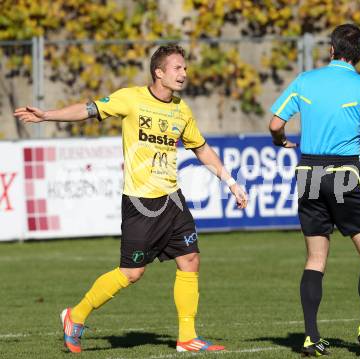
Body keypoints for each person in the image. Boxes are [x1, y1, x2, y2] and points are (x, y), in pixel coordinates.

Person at [14, 44, 248, 354]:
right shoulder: (131, 98)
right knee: (131, 273)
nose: (184, 73)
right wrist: (47, 116)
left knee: (190, 259)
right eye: (177, 68)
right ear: (159, 72)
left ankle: (187, 337)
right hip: (141, 203)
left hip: (173, 200)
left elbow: (201, 148)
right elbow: (88, 109)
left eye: (185, 68)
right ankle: (76, 315)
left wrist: (230, 181)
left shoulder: (181, 109)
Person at [269, 24, 360, 356]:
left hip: (308, 172)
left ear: (331, 49)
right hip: (343, 171)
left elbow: (274, 123)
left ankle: (312, 336)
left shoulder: (306, 80)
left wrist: (280, 140)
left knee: (315, 258)